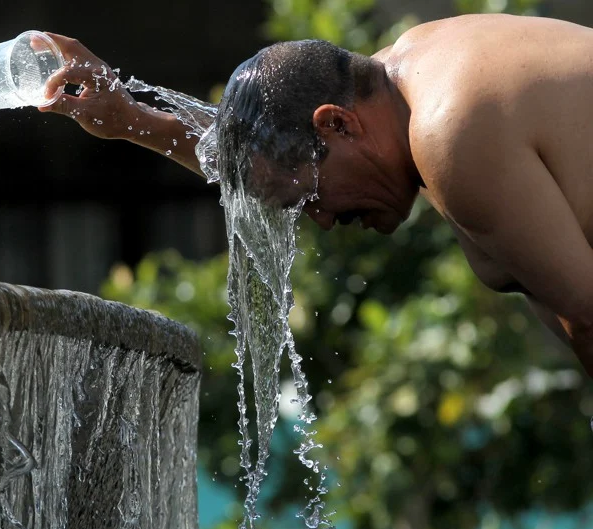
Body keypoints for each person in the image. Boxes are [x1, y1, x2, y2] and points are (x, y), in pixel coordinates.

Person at [37, 14, 593, 376]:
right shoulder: (407, 73)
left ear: (339, 126)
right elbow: (271, 153)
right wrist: (132, 118)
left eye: (309, 199)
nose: (322, 220)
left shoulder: (450, 134)